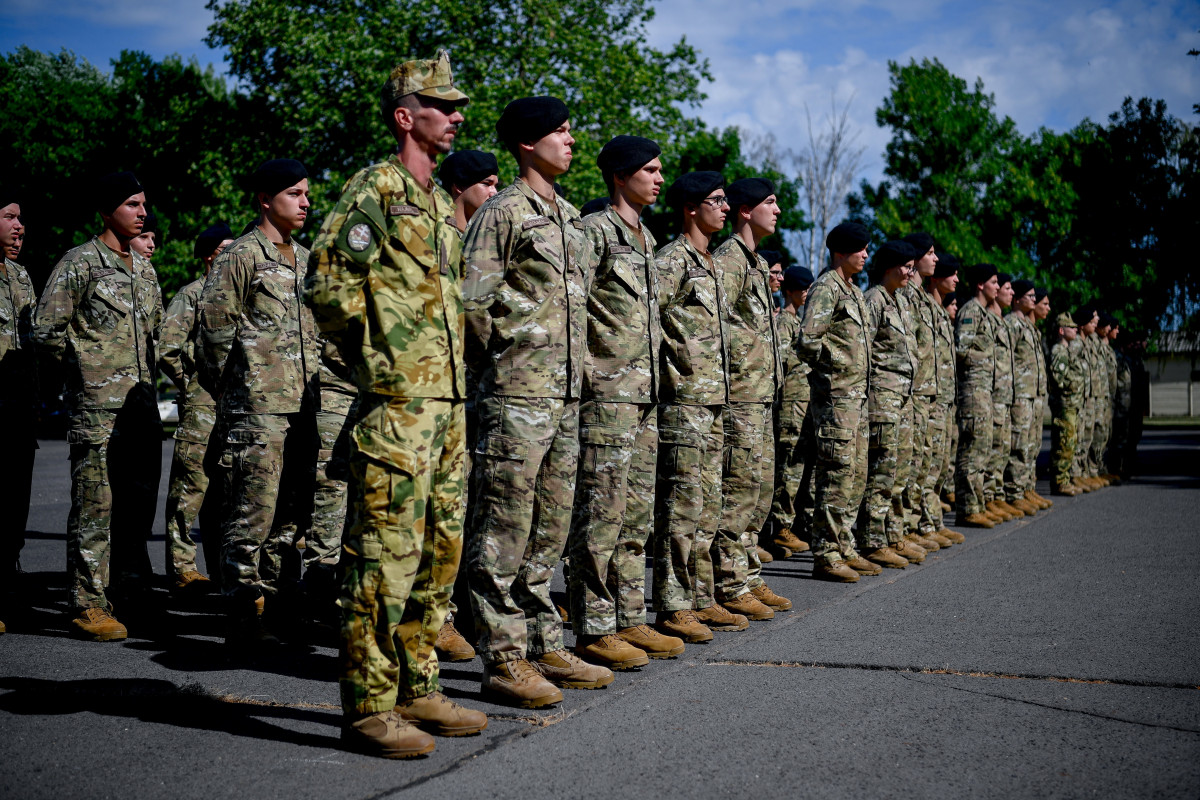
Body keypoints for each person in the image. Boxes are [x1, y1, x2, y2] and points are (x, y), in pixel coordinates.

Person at [306, 50, 487, 758]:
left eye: (457, 106)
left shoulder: (440, 202)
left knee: (438, 558)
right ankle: (369, 707)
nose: (456, 116)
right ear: (406, 117)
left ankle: (418, 686)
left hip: (447, 408)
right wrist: (378, 363)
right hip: (398, 408)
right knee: (383, 559)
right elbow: (328, 282)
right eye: (442, 106)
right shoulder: (376, 187)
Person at [462, 96, 610, 708]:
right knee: (504, 527)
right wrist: (504, 362)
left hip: (566, 395)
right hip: (517, 394)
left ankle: (544, 643)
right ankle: (501, 658)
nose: (571, 141)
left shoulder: (570, 217)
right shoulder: (502, 212)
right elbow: (472, 304)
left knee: (550, 528)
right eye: (560, 132)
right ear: (528, 143)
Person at [564, 135, 684, 670]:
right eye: (649, 170)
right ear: (620, 176)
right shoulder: (594, 231)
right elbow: (572, 305)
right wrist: (588, 375)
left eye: (659, 170)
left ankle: (628, 615)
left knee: (635, 516)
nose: (659, 178)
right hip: (608, 395)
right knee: (601, 514)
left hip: (644, 394)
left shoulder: (645, 237)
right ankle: (593, 627)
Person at [33, 171, 164, 641]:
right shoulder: (80, 263)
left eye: (143, 204)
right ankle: (87, 603)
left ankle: (128, 592)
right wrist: (83, 372)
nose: (142, 213)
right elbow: (45, 331)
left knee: (136, 506)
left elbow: (156, 334)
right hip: (98, 410)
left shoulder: (144, 268)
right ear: (107, 211)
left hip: (140, 407)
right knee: (95, 505)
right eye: (131, 204)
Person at [199, 158, 321, 647]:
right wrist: (239, 391)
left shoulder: (307, 259)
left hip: (303, 406)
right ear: (266, 200)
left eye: (307, 193)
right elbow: (213, 334)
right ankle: (242, 614)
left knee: (292, 515)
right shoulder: (241, 256)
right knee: (251, 513)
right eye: (295, 193)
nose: (306, 202)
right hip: (257, 409)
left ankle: (277, 604)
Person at [651, 172, 746, 643]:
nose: (726, 208)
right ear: (691, 207)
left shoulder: (711, 264)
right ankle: (673, 605)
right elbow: (649, 320)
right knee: (682, 507)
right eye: (717, 200)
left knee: (708, 505)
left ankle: (700, 596)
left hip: (714, 401)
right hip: (684, 402)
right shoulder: (672, 260)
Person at [712, 178, 790, 615]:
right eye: (770, 203)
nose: (777, 210)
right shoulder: (729, 259)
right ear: (746, 210)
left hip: (760, 396)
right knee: (738, 492)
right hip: (739, 395)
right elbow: (712, 322)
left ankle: (747, 575)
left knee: (758, 493)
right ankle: (729, 583)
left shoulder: (756, 262)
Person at [797, 221, 880, 582]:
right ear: (841, 252)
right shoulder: (826, 288)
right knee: (834, 476)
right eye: (860, 249)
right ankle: (826, 553)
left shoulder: (854, 291)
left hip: (856, 399)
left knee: (854, 476)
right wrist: (834, 368)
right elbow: (807, 341)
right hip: (836, 399)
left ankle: (844, 546)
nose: (866, 255)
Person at [159, 222, 234, 593]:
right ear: (208, 256)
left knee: (227, 492)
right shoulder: (192, 294)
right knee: (191, 488)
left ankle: (224, 570)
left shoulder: (238, 293)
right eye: (224, 249)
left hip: (236, 405)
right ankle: (182, 567)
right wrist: (191, 382)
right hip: (203, 405)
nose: (232, 255)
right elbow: (168, 348)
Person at [857, 240, 926, 568]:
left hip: (903, 396)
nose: (911, 273)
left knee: (900, 468)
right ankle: (872, 540)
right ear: (889, 267)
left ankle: (893, 534)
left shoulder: (898, 301)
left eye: (913, 267)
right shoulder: (874, 300)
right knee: (882, 469)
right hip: (883, 398)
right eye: (907, 267)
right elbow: (864, 349)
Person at [900, 233, 954, 550]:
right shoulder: (906, 295)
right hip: (914, 394)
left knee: (928, 463)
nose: (935, 258)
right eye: (930, 253)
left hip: (930, 393)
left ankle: (921, 523)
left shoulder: (922, 298)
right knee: (911, 465)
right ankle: (908, 528)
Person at [0, 193, 36, 633]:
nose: (19, 226)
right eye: (9, 216)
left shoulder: (20, 276)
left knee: (13, 509)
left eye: (20, 218)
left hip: (18, 413)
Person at [766, 264, 815, 557]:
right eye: (802, 289)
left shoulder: (798, 322)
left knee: (797, 466)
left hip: (802, 404)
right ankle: (780, 528)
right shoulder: (784, 322)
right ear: (790, 291)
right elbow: (781, 364)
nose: (806, 294)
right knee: (788, 467)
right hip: (790, 404)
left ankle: (785, 527)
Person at [953, 263, 1001, 528]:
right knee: (973, 449)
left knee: (982, 449)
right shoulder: (971, 311)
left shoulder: (984, 313)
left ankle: (978, 504)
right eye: (994, 282)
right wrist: (985, 359)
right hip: (972, 391)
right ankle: (968, 508)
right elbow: (960, 350)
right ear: (981, 285)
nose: (997, 287)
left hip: (984, 390)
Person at [923, 253, 964, 544]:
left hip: (944, 398)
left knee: (940, 464)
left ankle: (933, 521)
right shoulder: (926, 306)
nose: (957, 280)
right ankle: (923, 524)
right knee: (927, 465)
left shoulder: (939, 311)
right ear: (938, 278)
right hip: (929, 399)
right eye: (952, 274)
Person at [1002, 280, 1047, 515]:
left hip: (1032, 393)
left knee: (1032, 444)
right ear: (1018, 299)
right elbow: (1007, 358)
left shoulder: (1028, 326)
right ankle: (1014, 492)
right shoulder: (1012, 323)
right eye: (1029, 296)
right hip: (1020, 393)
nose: (1034, 300)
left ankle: (1027, 487)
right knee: (1018, 444)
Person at [984, 273, 1023, 522]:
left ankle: (997, 495)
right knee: (992, 447)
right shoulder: (988, 319)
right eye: (1004, 287)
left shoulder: (1001, 322)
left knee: (1002, 447)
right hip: (992, 393)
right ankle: (989, 497)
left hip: (1005, 393)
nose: (1009, 292)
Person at [1048, 312, 1084, 495]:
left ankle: (1065, 479)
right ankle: (1059, 481)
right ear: (1061, 330)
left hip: (1071, 403)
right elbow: (1057, 379)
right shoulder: (1058, 350)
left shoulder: (1067, 350)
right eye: (1071, 327)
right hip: (1064, 404)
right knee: (1064, 442)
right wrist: (1072, 384)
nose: (1075, 329)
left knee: (1070, 442)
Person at [1069, 305, 1100, 492]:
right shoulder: (1075, 345)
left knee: (1085, 437)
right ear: (1081, 325)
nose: (1094, 324)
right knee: (1076, 437)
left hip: (1087, 396)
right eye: (1090, 322)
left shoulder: (1086, 344)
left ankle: (1081, 473)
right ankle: (1074, 474)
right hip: (1077, 397)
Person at [439, 149, 500, 234]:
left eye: (495, 186)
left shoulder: (490, 234)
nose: (495, 193)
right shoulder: (437, 232)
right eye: (486, 184)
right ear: (459, 186)